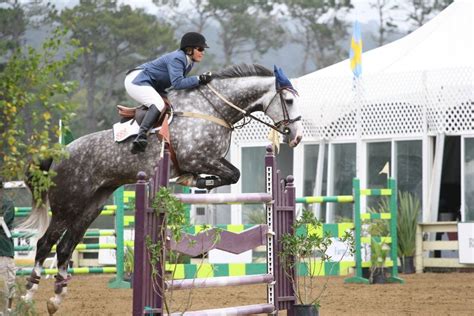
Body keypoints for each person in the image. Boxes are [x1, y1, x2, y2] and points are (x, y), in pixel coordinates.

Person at [124, 31, 214, 154]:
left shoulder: (189, 62)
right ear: (189, 50)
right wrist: (199, 79)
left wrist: (199, 80)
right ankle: (141, 136)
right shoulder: (178, 58)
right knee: (158, 104)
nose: (202, 52)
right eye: (200, 49)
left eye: (203, 49)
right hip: (137, 80)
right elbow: (178, 83)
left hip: (154, 84)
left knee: (171, 106)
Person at [0, 179, 15, 315]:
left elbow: (3, 223)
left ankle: (7, 311)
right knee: (8, 284)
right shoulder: (8, 202)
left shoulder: (7, 203)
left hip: (4, 249)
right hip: (4, 250)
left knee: (8, 284)